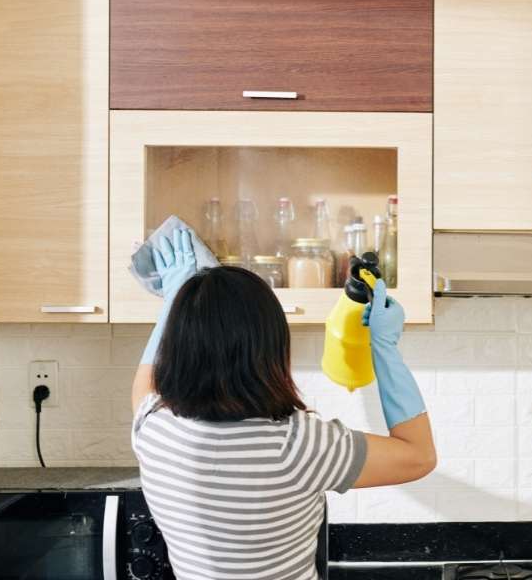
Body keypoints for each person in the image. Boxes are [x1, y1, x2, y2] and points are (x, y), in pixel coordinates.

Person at [130, 229, 435, 580]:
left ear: (178, 344)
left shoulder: (154, 430)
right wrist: (384, 347)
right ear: (270, 347)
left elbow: (143, 385)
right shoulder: (295, 445)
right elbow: (418, 456)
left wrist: (177, 298)